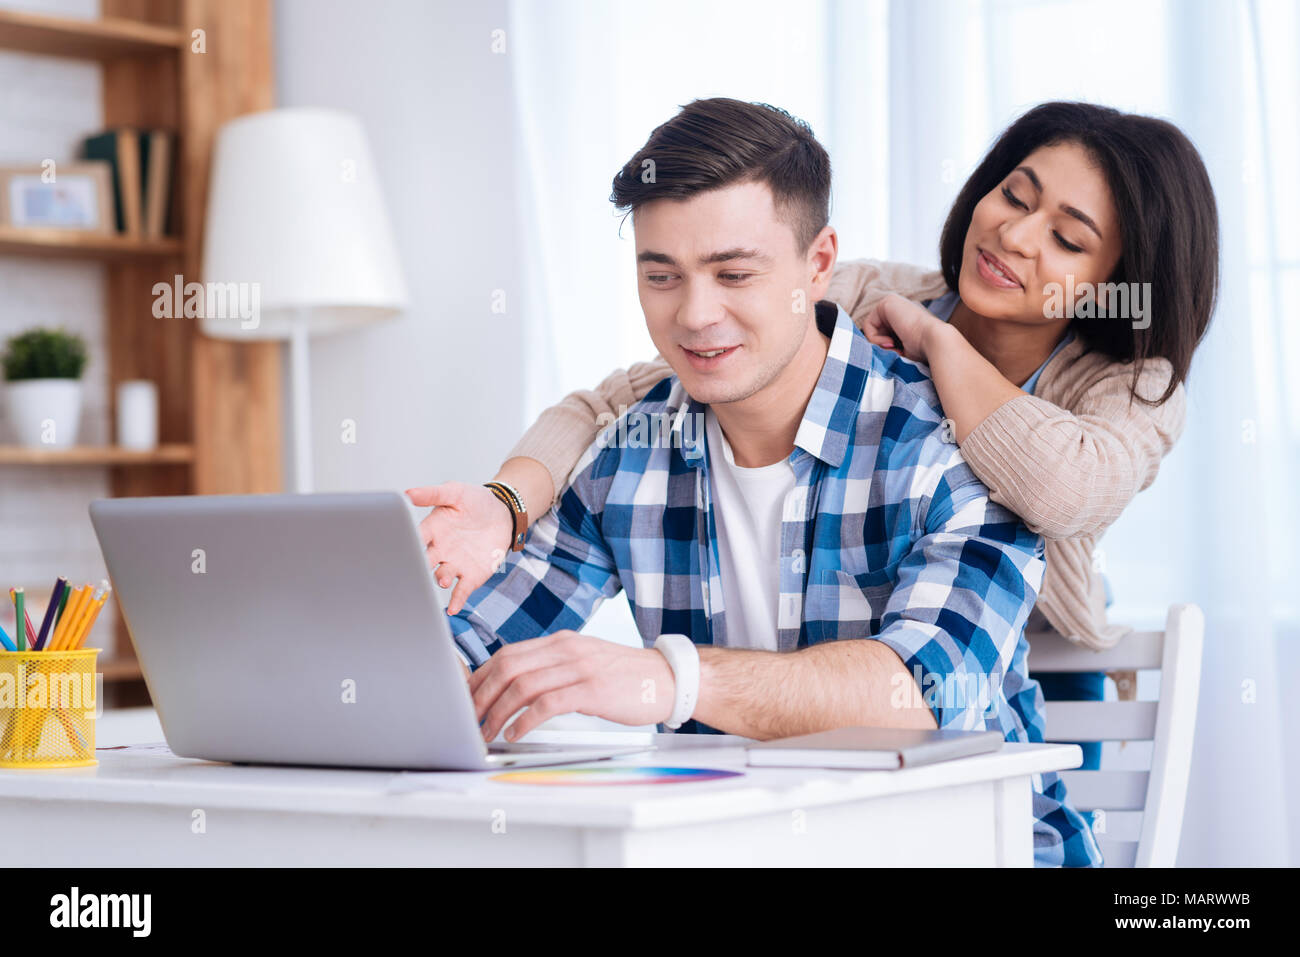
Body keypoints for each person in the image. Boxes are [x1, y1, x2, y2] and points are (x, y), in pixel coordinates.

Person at [416, 101, 1219, 771]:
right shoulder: (647, 445)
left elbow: (935, 678)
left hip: (991, 718)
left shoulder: (1032, 430)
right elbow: (613, 404)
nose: (1015, 235)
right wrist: (500, 507)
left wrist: (668, 679)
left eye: (734, 274)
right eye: (661, 274)